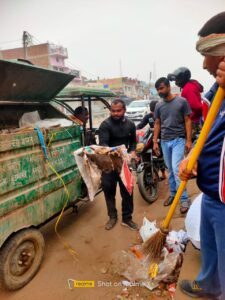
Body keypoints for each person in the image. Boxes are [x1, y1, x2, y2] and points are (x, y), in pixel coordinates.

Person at [178, 12, 225, 300]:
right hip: (210, 192)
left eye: (209, 54)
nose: (204, 63)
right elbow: (201, 115)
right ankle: (209, 284)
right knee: (210, 250)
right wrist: (190, 155)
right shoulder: (218, 88)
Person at [153, 77, 192, 213]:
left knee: (176, 169)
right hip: (164, 141)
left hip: (178, 140)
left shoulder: (181, 102)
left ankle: (184, 199)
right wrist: (155, 142)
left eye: (162, 88)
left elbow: (187, 120)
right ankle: (173, 194)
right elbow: (157, 123)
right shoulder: (158, 105)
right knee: (169, 169)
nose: (160, 91)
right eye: (158, 89)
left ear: (169, 87)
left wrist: (188, 140)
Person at [98, 99, 138, 230]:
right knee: (109, 190)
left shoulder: (131, 124)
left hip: (124, 163)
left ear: (124, 110)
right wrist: (113, 152)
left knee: (127, 191)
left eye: (118, 111)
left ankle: (127, 218)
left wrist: (132, 152)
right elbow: (103, 144)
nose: (115, 113)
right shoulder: (105, 125)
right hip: (108, 164)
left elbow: (133, 142)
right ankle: (112, 217)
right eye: (113, 111)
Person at [136, 100, 167, 180]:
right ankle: (143, 171)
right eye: (153, 112)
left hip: (162, 137)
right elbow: (141, 125)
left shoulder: (163, 115)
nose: (154, 114)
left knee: (160, 155)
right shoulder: (148, 116)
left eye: (155, 112)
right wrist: (134, 130)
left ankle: (163, 173)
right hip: (151, 137)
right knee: (142, 148)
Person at [168, 67, 203, 134]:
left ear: (182, 79)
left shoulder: (188, 88)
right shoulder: (189, 86)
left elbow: (196, 107)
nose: (175, 82)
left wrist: (187, 117)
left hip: (194, 123)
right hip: (194, 122)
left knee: (192, 143)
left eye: (176, 80)